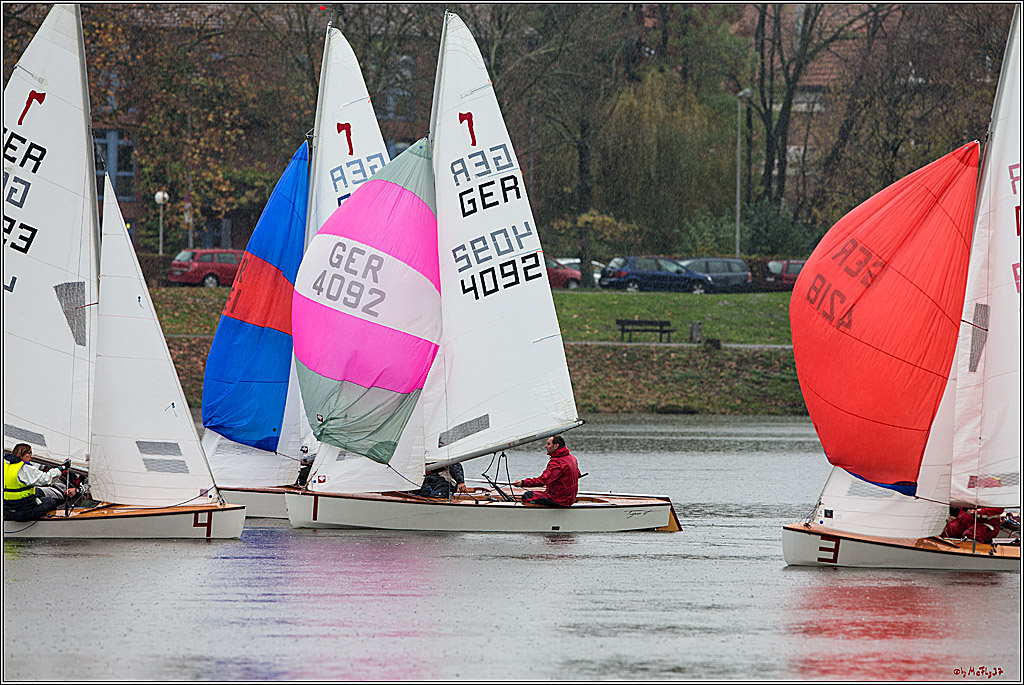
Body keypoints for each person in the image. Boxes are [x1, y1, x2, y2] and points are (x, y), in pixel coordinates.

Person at [3, 443, 76, 522]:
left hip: (7, 510)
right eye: (29, 453)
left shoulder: (4, 466)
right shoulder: (24, 468)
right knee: (49, 501)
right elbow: (46, 479)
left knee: (38, 495)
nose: (31, 457)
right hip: (23, 513)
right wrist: (61, 468)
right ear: (21, 453)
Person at [513, 434, 580, 507]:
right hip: (570, 499)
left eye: (548, 444)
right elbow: (578, 474)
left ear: (556, 446)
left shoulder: (557, 463)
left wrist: (522, 483)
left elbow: (542, 481)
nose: (545, 446)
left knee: (527, 495)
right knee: (539, 493)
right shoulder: (572, 458)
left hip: (559, 500)